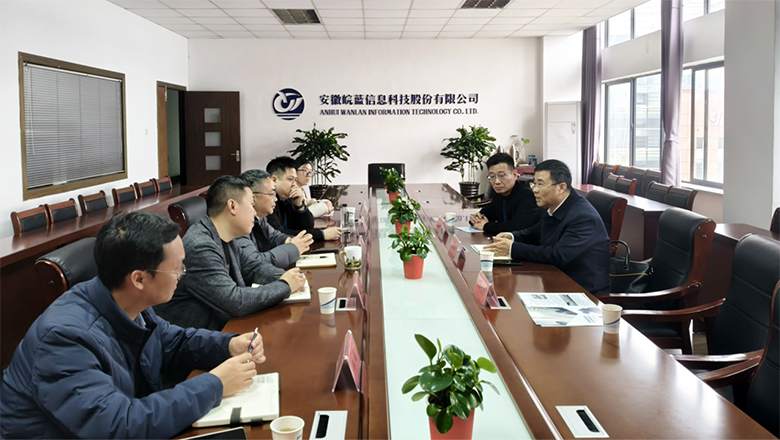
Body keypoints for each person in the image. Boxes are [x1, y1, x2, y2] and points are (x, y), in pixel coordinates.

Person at [0, 211, 267, 439]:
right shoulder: (64, 339)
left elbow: (172, 341)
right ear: (139, 279)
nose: (182, 275)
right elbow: (118, 426)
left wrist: (228, 344)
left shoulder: (126, 301)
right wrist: (215, 384)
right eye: (177, 268)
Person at [154, 176, 306, 331]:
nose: (255, 213)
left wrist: (286, 276)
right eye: (251, 205)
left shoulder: (224, 236)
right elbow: (235, 301)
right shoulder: (200, 246)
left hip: (222, 327)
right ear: (232, 206)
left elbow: (253, 267)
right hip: (197, 337)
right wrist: (285, 285)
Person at [484, 159, 611, 295]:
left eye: (540, 184)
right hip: (555, 279)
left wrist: (512, 248)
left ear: (561, 187)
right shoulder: (553, 206)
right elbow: (536, 231)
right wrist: (511, 236)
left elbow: (558, 255)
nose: (535, 190)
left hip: (582, 292)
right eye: (534, 184)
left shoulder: (583, 217)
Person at [237, 169, 313, 268]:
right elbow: (254, 262)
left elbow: (274, 236)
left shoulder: (260, 218)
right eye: (271, 194)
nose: (276, 199)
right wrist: (293, 248)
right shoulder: (238, 223)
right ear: (252, 197)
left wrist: (290, 241)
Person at [266, 156, 342, 242]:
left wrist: (300, 205)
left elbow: (307, 226)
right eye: (290, 179)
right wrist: (321, 234)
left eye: (295, 180)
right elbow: (279, 234)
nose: (294, 184)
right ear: (274, 180)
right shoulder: (267, 201)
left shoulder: (287, 199)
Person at [470, 152, 541, 234]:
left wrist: (486, 226)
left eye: (501, 176)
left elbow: (517, 227)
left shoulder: (528, 196)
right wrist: (476, 218)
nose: (496, 182)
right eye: (492, 177)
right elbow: (488, 213)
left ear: (514, 175)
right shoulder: (499, 194)